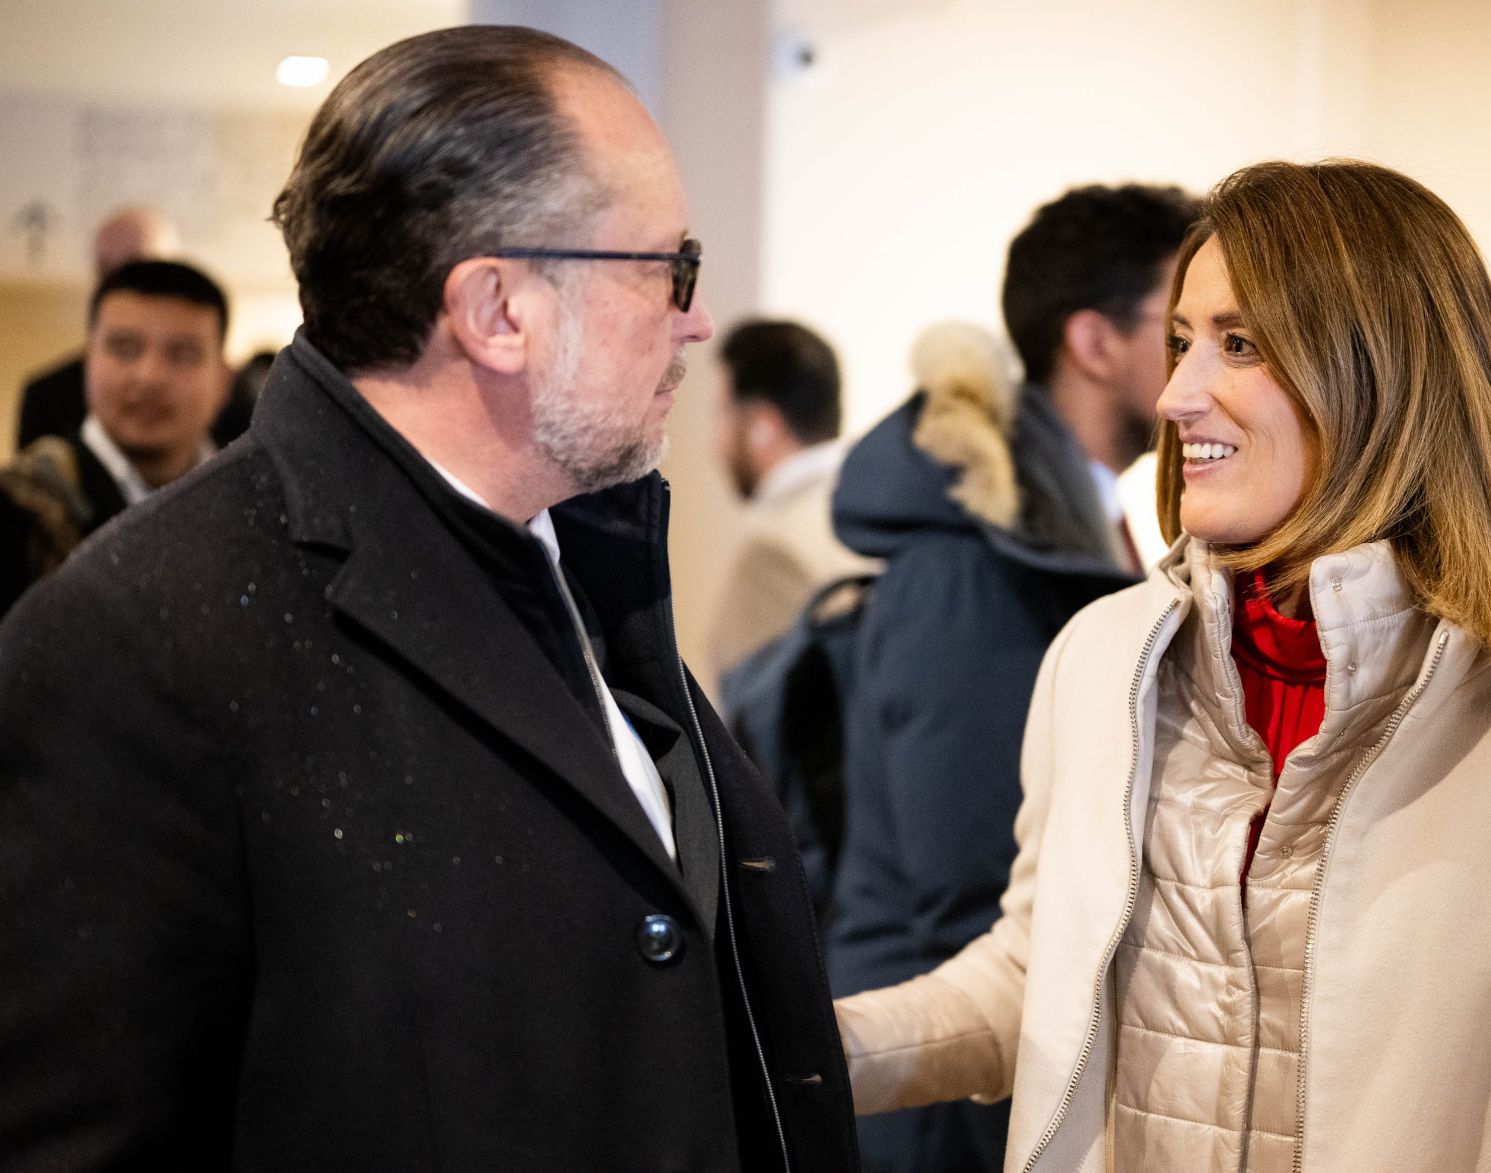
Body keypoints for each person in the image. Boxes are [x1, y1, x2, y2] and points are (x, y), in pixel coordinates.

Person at [0, 26, 858, 1173]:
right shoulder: (141, 636)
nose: (693, 318)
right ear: (496, 310)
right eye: (668, 267)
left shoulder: (567, 553)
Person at [835, 159, 1491, 1172]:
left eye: (1238, 345)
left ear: (1377, 369)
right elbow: (1033, 980)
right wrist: (805, 1049)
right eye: (1179, 342)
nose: (1177, 395)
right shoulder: (1102, 658)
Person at [824, 182, 1201, 1173]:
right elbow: (972, 880)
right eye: (1183, 329)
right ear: (1094, 342)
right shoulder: (972, 560)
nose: (1199, 371)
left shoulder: (1061, 538)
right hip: (945, 1104)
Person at [0, 258, 230, 617]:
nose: (150, 376)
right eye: (125, 349)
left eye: (182, 354)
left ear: (224, 379)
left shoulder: (254, 500)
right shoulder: (20, 506)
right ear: (86, 360)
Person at [705, 318, 876, 684]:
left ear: (761, 426)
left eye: (722, 414)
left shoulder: (775, 552)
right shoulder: (879, 513)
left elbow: (750, 725)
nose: (715, 445)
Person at [14, 207, 181, 448]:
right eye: (105, 268)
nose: (118, 283)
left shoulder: (235, 393)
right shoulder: (47, 395)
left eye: (137, 267)